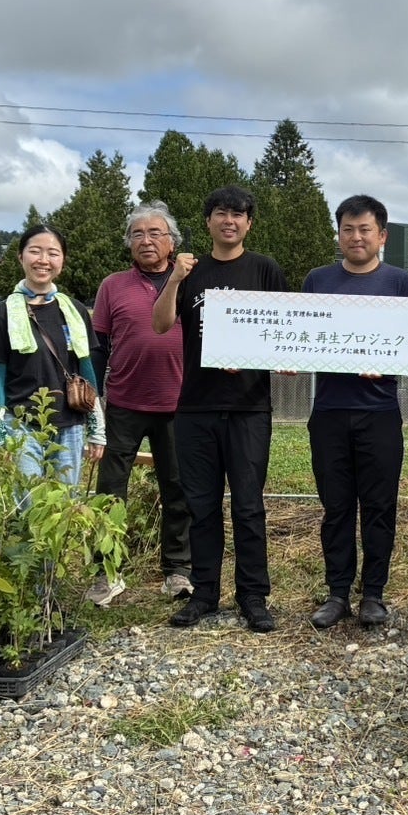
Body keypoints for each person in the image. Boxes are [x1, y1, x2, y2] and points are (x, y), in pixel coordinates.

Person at [153, 185, 287, 633]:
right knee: (202, 506)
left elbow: (283, 332)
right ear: (208, 220)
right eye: (221, 213)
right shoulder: (189, 270)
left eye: (238, 214)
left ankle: (253, 596)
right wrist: (174, 278)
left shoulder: (265, 269)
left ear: (249, 223)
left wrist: (256, 357)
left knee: (249, 505)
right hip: (195, 405)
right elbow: (160, 324)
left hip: (249, 406)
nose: (230, 221)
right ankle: (204, 594)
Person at [303, 194, 408, 630]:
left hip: (380, 412)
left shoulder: (399, 282)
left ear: (382, 236)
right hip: (329, 410)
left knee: (378, 506)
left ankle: (373, 594)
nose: (356, 237)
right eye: (348, 229)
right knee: (335, 507)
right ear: (338, 235)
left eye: (365, 229)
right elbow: (301, 334)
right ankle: (337, 593)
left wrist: (391, 365)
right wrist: (287, 357)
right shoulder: (317, 280)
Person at [88, 201, 192, 608]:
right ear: (129, 242)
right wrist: (94, 396)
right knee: (110, 491)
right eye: (137, 234)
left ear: (172, 242)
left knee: (178, 487)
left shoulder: (191, 281)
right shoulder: (112, 285)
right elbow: (99, 345)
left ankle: (178, 570)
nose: (146, 240)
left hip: (180, 404)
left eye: (155, 233)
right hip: (124, 404)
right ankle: (107, 572)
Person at [0, 224, 105, 487]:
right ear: (21, 257)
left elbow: (86, 369)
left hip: (70, 424)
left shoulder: (75, 311)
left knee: (65, 501)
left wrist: (97, 424)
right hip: (21, 424)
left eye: (53, 253)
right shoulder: (1, 314)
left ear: (62, 260)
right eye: (35, 251)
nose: (43, 260)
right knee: (26, 500)